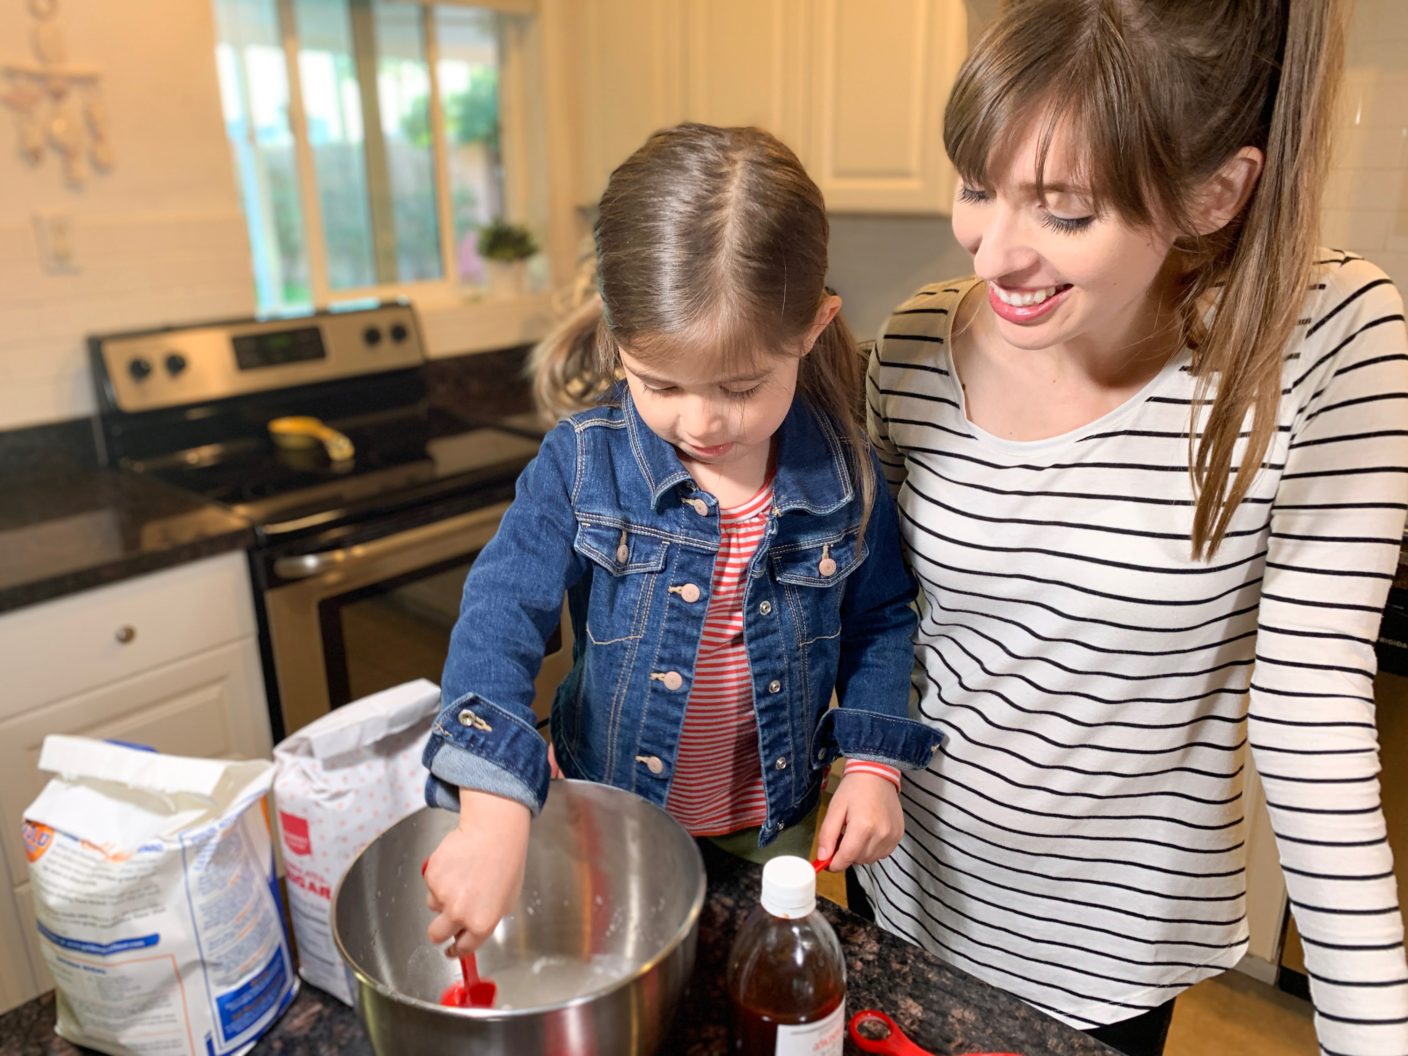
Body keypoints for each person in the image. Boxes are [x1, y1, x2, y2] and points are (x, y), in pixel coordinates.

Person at [855, 3, 1408, 1055]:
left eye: (1064, 212)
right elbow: (870, 615)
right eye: (977, 185)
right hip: (906, 889)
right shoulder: (920, 336)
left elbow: (1312, 716)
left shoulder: (1329, 337)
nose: (992, 252)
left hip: (1108, 955)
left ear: (1215, 193)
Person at [420, 123, 943, 956]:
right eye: (658, 382)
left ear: (812, 328)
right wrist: (489, 806)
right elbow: (498, 618)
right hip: (610, 806)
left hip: (769, 819)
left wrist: (875, 763)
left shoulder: (846, 473)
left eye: (741, 386)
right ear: (617, 332)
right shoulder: (581, 463)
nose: (701, 424)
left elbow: (881, 619)